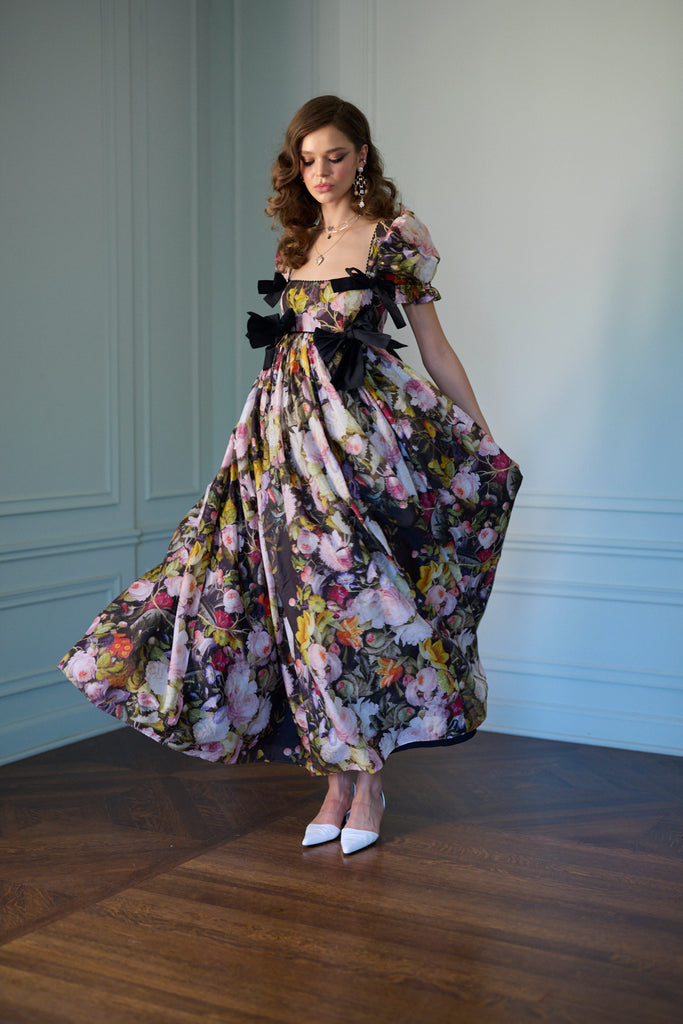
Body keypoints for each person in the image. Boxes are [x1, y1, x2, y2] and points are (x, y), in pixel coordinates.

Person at [59, 95, 522, 855]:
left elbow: (434, 347)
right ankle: (334, 782)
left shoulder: (395, 237)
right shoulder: (295, 244)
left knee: (355, 604)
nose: (320, 171)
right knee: (297, 611)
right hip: (278, 441)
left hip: (355, 444)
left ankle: (367, 782)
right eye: (308, 159)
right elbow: (287, 356)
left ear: (361, 157)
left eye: (334, 156)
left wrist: (480, 433)